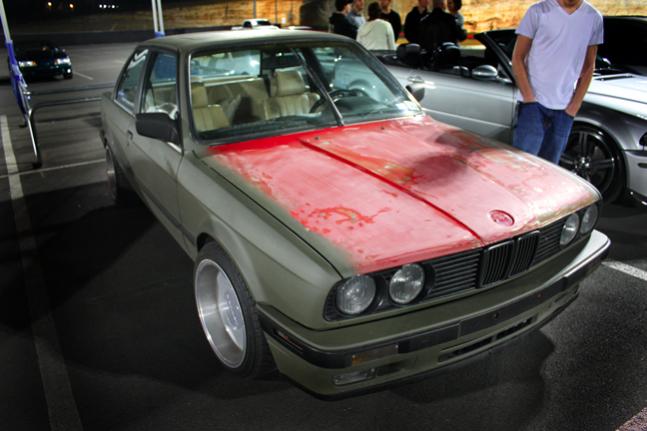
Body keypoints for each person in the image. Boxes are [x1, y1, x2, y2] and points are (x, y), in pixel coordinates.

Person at [512, 0, 603, 164]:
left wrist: (574, 107)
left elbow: (589, 66)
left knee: (550, 171)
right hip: (533, 106)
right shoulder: (538, 11)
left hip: (564, 110)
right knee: (523, 166)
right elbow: (518, 57)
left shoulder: (593, 17)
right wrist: (529, 99)